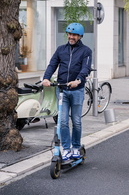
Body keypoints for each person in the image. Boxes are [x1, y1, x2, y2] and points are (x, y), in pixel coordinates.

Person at [42, 23, 92, 160]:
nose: (71, 37)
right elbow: (52, 64)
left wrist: (78, 80)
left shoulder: (86, 51)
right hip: (62, 90)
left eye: (74, 35)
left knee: (76, 121)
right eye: (69, 34)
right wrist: (46, 78)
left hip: (77, 91)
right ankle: (66, 149)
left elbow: (85, 68)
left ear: (80, 36)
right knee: (62, 122)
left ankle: (76, 147)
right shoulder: (60, 50)